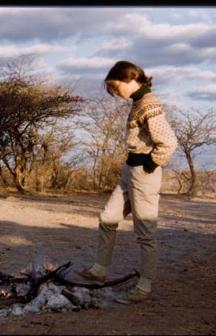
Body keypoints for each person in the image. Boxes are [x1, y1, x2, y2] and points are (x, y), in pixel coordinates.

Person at [75, 60, 178, 304]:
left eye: (115, 87)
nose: (114, 93)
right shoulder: (138, 102)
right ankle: (99, 271)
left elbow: (169, 142)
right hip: (129, 169)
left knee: (145, 232)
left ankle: (143, 287)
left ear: (129, 79)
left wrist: (151, 165)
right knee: (108, 218)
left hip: (143, 172)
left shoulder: (149, 104)